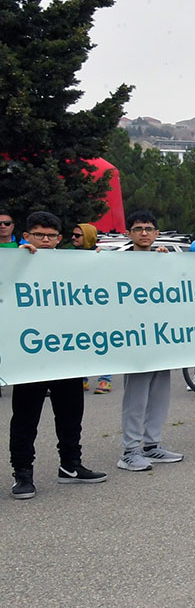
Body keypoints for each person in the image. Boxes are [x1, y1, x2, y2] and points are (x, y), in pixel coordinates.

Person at [9, 211, 107, 498]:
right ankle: (23, 473)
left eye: (52, 236)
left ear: (60, 238)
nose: (46, 240)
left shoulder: (70, 264)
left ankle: (70, 465)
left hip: (66, 352)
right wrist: (17, 257)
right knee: (26, 417)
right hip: (30, 355)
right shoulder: (15, 261)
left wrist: (107, 263)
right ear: (26, 236)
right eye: (40, 235)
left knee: (71, 413)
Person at [116, 210, 185, 473]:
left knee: (159, 394)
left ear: (157, 233)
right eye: (138, 229)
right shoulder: (118, 262)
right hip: (135, 340)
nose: (144, 233)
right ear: (129, 233)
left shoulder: (165, 259)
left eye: (149, 228)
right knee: (136, 396)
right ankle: (130, 450)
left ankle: (151, 444)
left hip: (161, 338)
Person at [70, 223, 115, 394]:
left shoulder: (102, 256)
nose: (73, 238)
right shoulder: (66, 256)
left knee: (102, 344)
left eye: (77, 235)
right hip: (78, 309)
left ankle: (105, 379)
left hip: (100, 309)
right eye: (73, 235)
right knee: (80, 343)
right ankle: (82, 378)